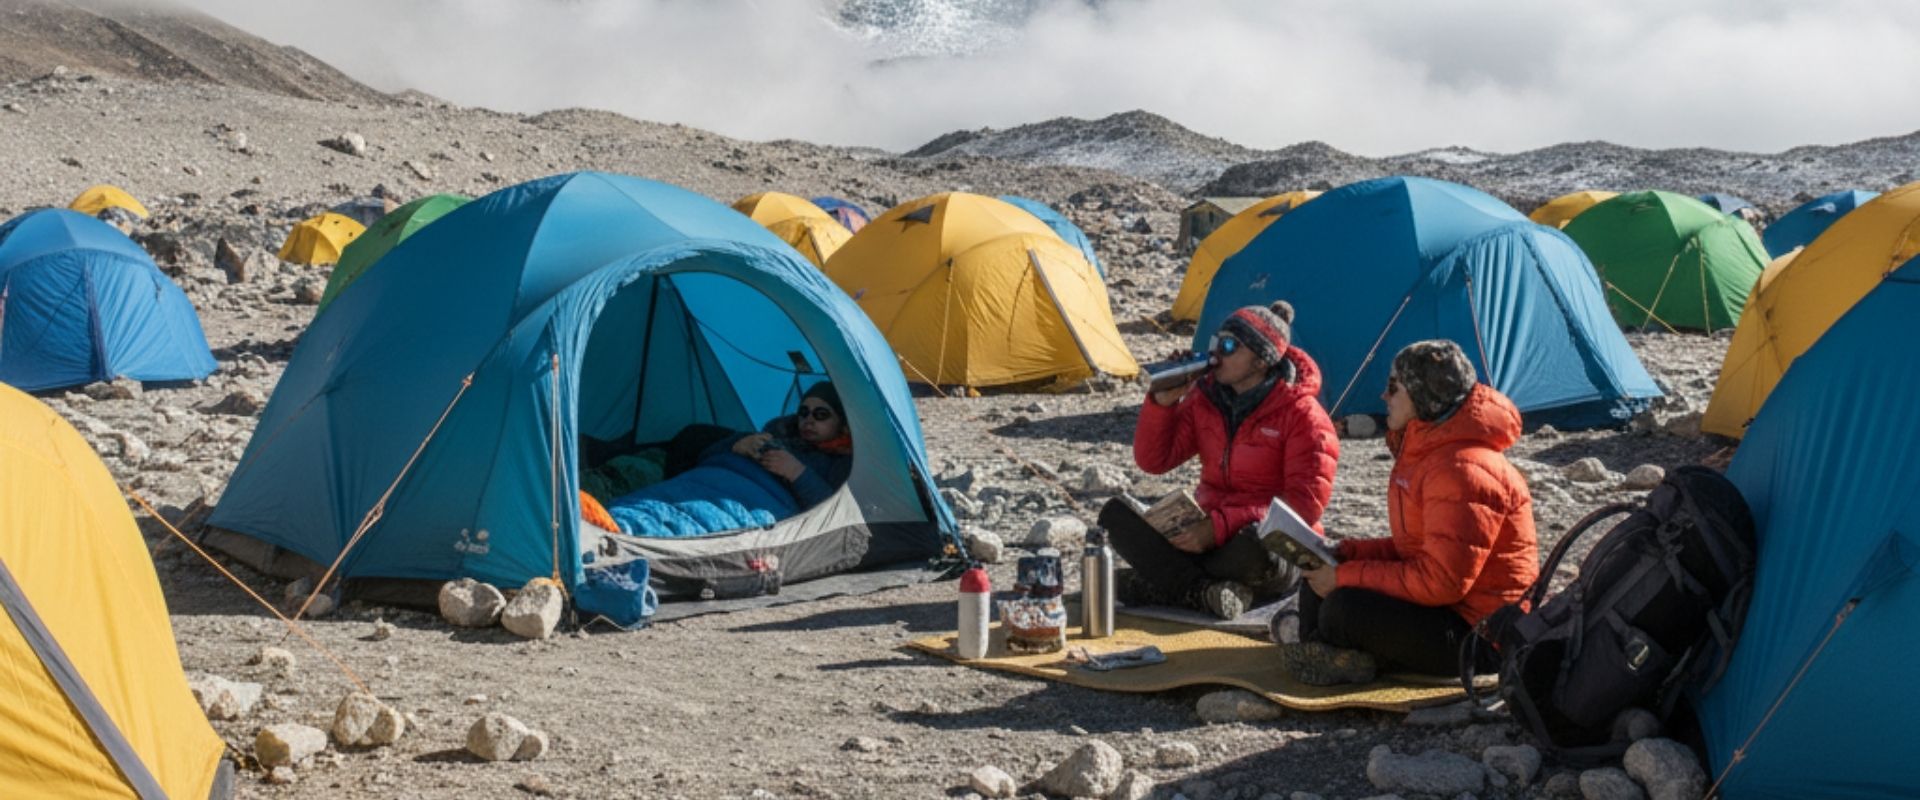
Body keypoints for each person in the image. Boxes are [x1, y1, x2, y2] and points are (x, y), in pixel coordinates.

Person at [1277, 339, 1538, 685]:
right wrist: (1351, 553)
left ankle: (1336, 653)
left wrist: (1346, 576)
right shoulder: (1427, 447)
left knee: (1345, 606)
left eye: (1393, 387)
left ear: (1422, 395)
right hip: (1443, 609)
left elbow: (1442, 582)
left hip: (1481, 636)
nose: (1384, 396)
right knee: (1323, 572)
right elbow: (1416, 548)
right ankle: (1325, 650)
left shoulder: (1463, 469)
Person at [1097, 301, 1340, 619]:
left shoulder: (1303, 417)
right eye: (1216, 343)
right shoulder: (1206, 398)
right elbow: (1154, 461)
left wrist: (1220, 527)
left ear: (1260, 360)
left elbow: (1302, 508)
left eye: (1229, 346)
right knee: (1116, 516)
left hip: (1262, 541)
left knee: (1255, 546)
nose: (1216, 355)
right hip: (1205, 531)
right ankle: (1205, 592)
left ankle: (1167, 584)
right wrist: (1163, 403)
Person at [663, 382, 855, 508]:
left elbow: (833, 512)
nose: (809, 420)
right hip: (715, 480)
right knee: (694, 435)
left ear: (841, 423)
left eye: (821, 414)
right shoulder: (776, 432)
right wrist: (736, 446)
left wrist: (797, 472)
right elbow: (704, 457)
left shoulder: (842, 462)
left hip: (757, 501)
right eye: (803, 412)